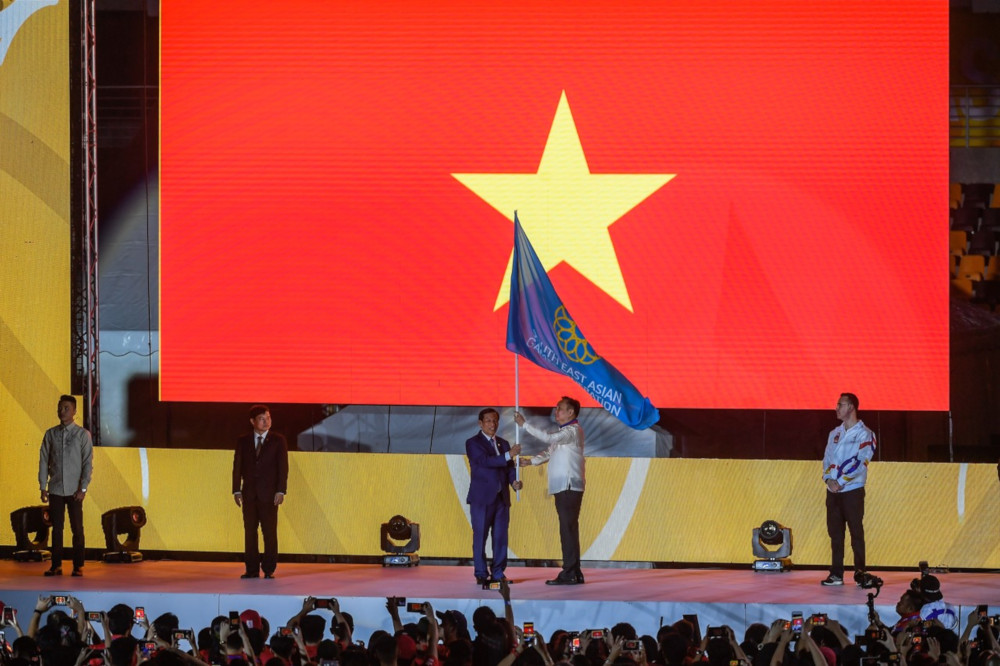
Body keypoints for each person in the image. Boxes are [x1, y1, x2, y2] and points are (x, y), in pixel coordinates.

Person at [515, 396, 586, 585]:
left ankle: (570, 572)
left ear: (571, 412)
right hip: (564, 486)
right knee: (568, 529)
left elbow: (548, 438)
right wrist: (530, 462)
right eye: (556, 408)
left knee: (567, 529)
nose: (556, 411)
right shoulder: (565, 433)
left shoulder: (572, 430)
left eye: (560, 408)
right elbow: (549, 451)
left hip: (568, 485)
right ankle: (574, 572)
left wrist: (525, 425)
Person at [820, 392, 876, 586]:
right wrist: (828, 479)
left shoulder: (865, 434)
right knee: (835, 534)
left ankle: (860, 573)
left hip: (852, 490)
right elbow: (827, 459)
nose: (836, 408)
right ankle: (836, 574)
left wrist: (841, 481)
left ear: (851, 407)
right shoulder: (834, 433)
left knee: (856, 533)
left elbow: (861, 462)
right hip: (833, 492)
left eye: (840, 404)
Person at [466, 408, 522, 585]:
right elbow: (484, 462)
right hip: (482, 499)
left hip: (501, 499)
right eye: (488, 421)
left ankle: (498, 573)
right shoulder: (473, 443)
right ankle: (481, 573)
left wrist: (514, 483)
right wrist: (508, 455)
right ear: (480, 423)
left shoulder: (504, 444)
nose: (493, 424)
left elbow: (509, 468)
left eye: (495, 421)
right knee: (480, 536)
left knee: (500, 538)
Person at [38, 395, 93, 577]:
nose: (62, 412)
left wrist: (83, 488)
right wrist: (43, 486)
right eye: (60, 408)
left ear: (75, 411)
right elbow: (44, 461)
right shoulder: (50, 434)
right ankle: (56, 565)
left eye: (66, 408)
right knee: (57, 529)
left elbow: (87, 463)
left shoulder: (82, 435)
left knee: (77, 528)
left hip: (75, 490)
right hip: (55, 489)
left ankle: (78, 565)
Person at [232, 404, 288, 579]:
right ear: (252, 421)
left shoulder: (278, 440)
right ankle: (252, 569)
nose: (266, 422)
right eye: (262, 419)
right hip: (249, 494)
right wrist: (236, 490)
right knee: (250, 532)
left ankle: (269, 568)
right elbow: (237, 466)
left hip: (270, 495)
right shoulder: (243, 440)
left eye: (268, 418)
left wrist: (281, 490)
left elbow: (283, 468)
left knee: (269, 532)